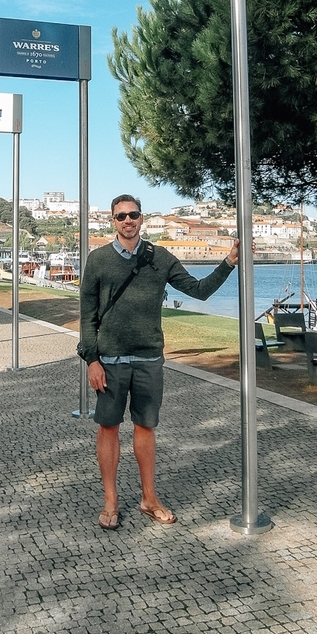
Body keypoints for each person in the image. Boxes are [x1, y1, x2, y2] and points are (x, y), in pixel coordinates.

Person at [79, 194, 240, 531]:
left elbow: (198, 291)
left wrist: (228, 263)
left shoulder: (160, 258)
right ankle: (110, 500)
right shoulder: (98, 260)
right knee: (108, 427)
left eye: (133, 215)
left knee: (145, 427)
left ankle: (148, 498)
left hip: (149, 359)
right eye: (121, 216)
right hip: (109, 360)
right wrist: (92, 361)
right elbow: (87, 317)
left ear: (142, 218)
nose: (127, 221)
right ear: (112, 220)